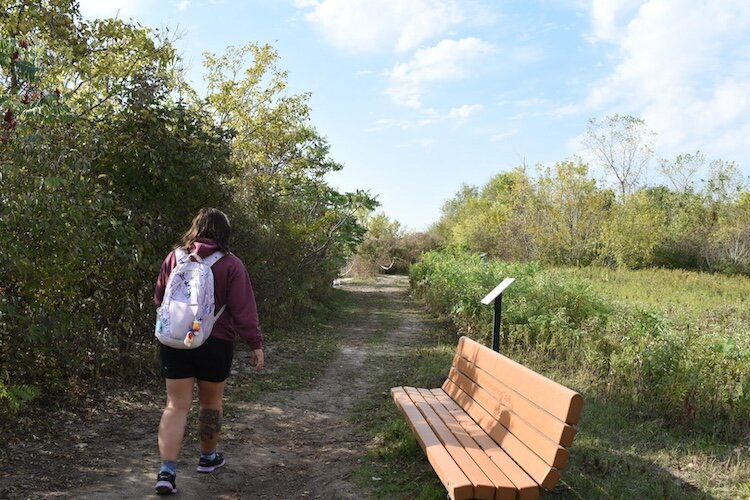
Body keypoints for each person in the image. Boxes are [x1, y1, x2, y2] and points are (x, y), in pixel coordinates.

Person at [152, 208, 264, 495]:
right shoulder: (231, 264)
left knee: (175, 406)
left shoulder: (175, 257)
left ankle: (167, 471)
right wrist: (255, 343)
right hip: (215, 341)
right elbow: (243, 309)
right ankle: (207, 458)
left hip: (175, 340)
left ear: (195, 228)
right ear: (224, 232)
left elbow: (159, 297)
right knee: (210, 403)